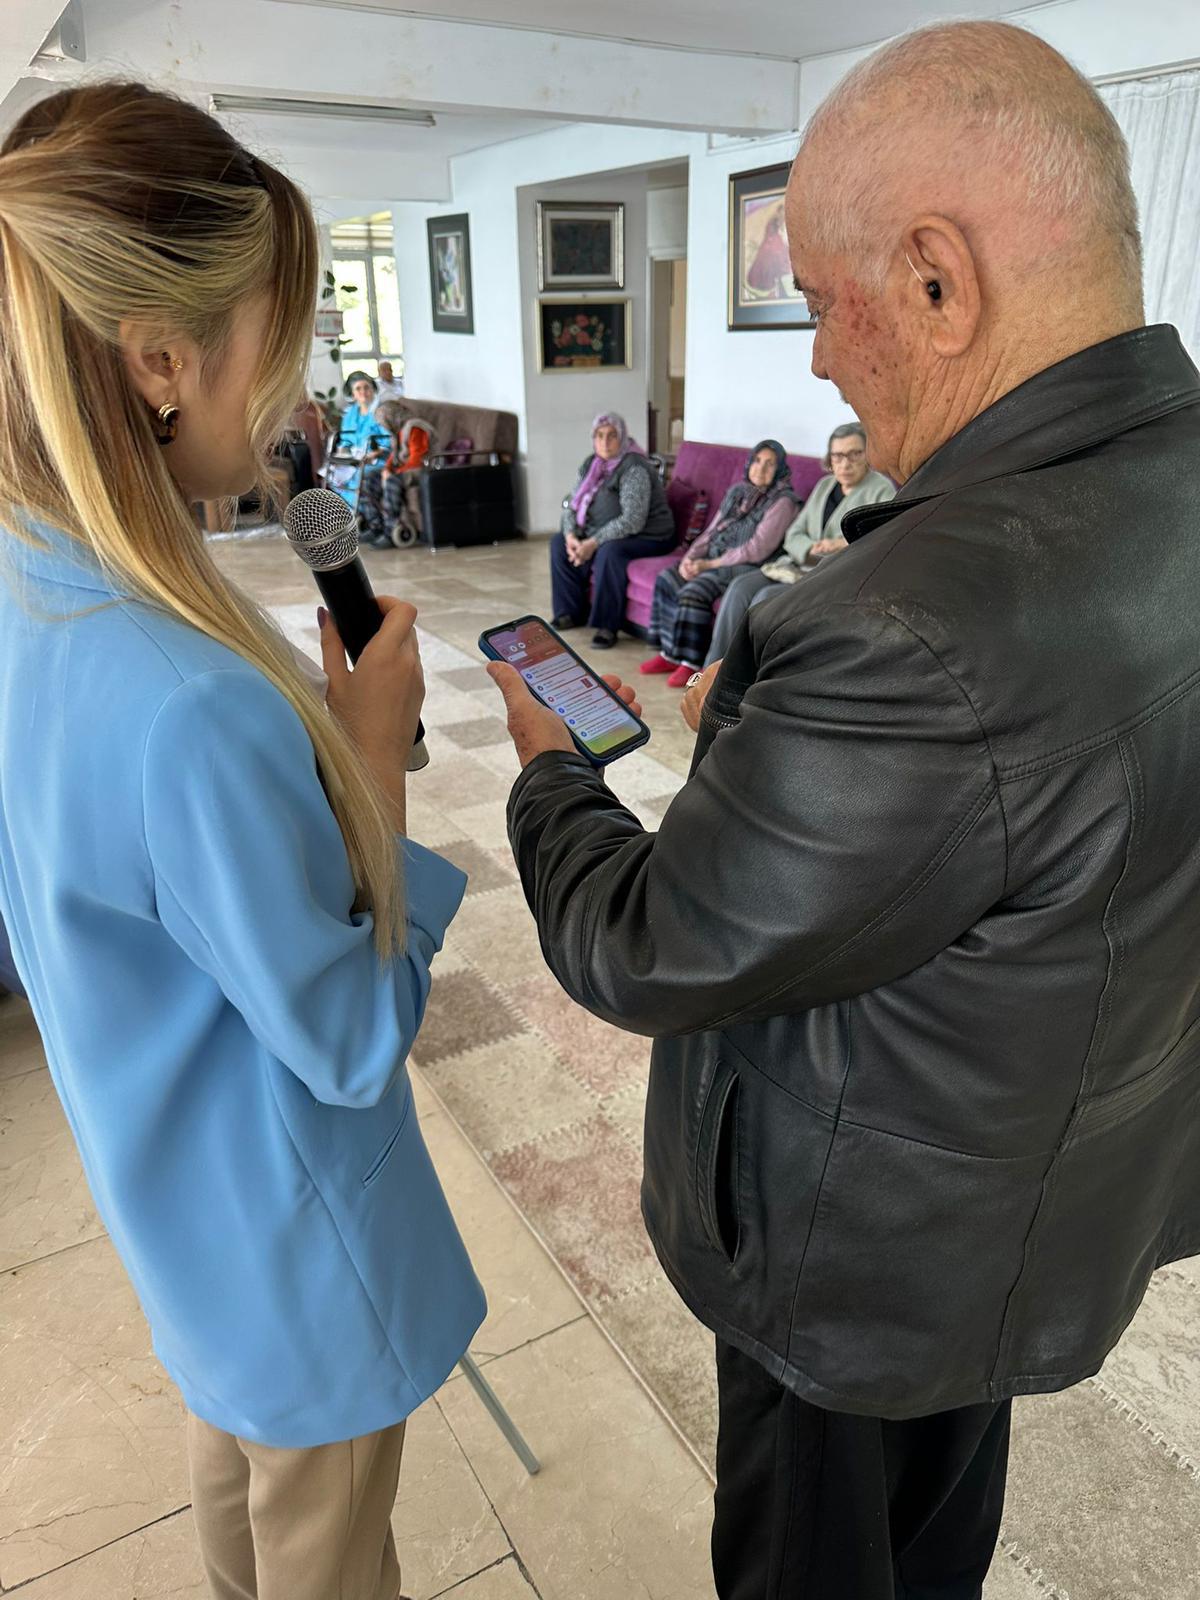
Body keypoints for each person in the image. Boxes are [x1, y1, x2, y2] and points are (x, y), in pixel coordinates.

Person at [486, 19, 1200, 1599]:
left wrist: (549, 764)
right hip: (1031, 1192)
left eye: (820, 302)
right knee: (938, 1538)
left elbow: (653, 943)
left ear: (939, 283)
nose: (816, 359)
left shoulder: (907, 626)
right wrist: (777, 741)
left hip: (857, 1253)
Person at [0, 83, 485, 1600]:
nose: (296, 394)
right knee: (324, 1542)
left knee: (235, 1485)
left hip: (176, 1210)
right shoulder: (186, 703)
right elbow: (348, 1037)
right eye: (281, 342)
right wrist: (369, 755)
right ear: (159, 358)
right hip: (289, 1244)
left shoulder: (30, 581)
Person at [705, 421, 893, 664]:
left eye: (854, 454)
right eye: (837, 456)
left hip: (831, 577)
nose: (845, 463)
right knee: (740, 587)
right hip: (794, 566)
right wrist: (809, 548)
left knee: (765, 598)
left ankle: (747, 676)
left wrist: (839, 545)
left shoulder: (881, 490)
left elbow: (880, 543)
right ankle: (713, 668)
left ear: (867, 454)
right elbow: (794, 533)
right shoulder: (825, 485)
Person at [640, 440, 796, 686]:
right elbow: (713, 530)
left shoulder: (783, 502)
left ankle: (690, 663)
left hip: (748, 566)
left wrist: (708, 565)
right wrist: (690, 558)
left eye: (770, 464)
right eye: (757, 461)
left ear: (780, 469)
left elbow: (756, 549)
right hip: (714, 558)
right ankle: (669, 654)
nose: (761, 468)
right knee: (668, 578)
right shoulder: (738, 491)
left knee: (694, 591)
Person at [550, 412, 675, 649]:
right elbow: (572, 504)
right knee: (558, 543)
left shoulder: (634, 467)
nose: (605, 442)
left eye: (612, 436)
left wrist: (592, 543)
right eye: (599, 436)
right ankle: (569, 612)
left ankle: (607, 626)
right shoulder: (591, 464)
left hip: (650, 535)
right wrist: (571, 536)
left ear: (623, 438)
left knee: (610, 552)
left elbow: (632, 520)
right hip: (604, 531)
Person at [358, 399, 436, 548]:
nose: (383, 426)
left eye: (383, 422)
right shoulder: (398, 430)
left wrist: (393, 473)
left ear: (390, 417)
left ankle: (390, 532)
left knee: (392, 480)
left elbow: (418, 459)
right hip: (406, 468)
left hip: (424, 469)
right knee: (369, 477)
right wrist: (386, 469)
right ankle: (375, 525)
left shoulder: (415, 428)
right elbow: (394, 456)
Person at [332, 372, 391, 512]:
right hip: (354, 458)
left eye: (366, 387)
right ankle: (348, 511)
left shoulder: (380, 412)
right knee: (334, 474)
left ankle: (359, 513)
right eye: (358, 388)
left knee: (358, 476)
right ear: (352, 393)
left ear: (373, 389)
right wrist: (342, 454)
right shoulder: (350, 414)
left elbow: (388, 440)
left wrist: (374, 454)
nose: (363, 391)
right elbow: (345, 440)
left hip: (376, 458)